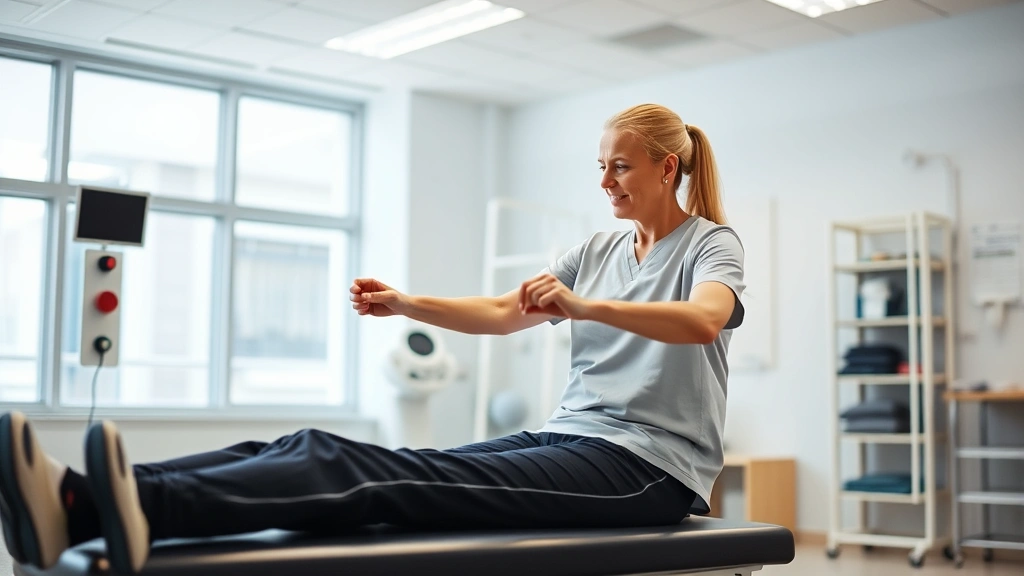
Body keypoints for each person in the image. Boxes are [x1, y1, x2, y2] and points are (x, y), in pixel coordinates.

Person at [0, 103, 744, 575]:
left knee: (363, 474)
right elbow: (500, 309)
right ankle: (87, 502)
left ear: (665, 168)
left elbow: (705, 318)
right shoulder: (597, 248)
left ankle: (129, 502)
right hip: (571, 437)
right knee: (318, 448)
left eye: (620, 166)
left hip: (649, 471)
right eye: (601, 167)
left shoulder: (711, 244)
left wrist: (585, 309)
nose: (607, 180)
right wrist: (405, 303)